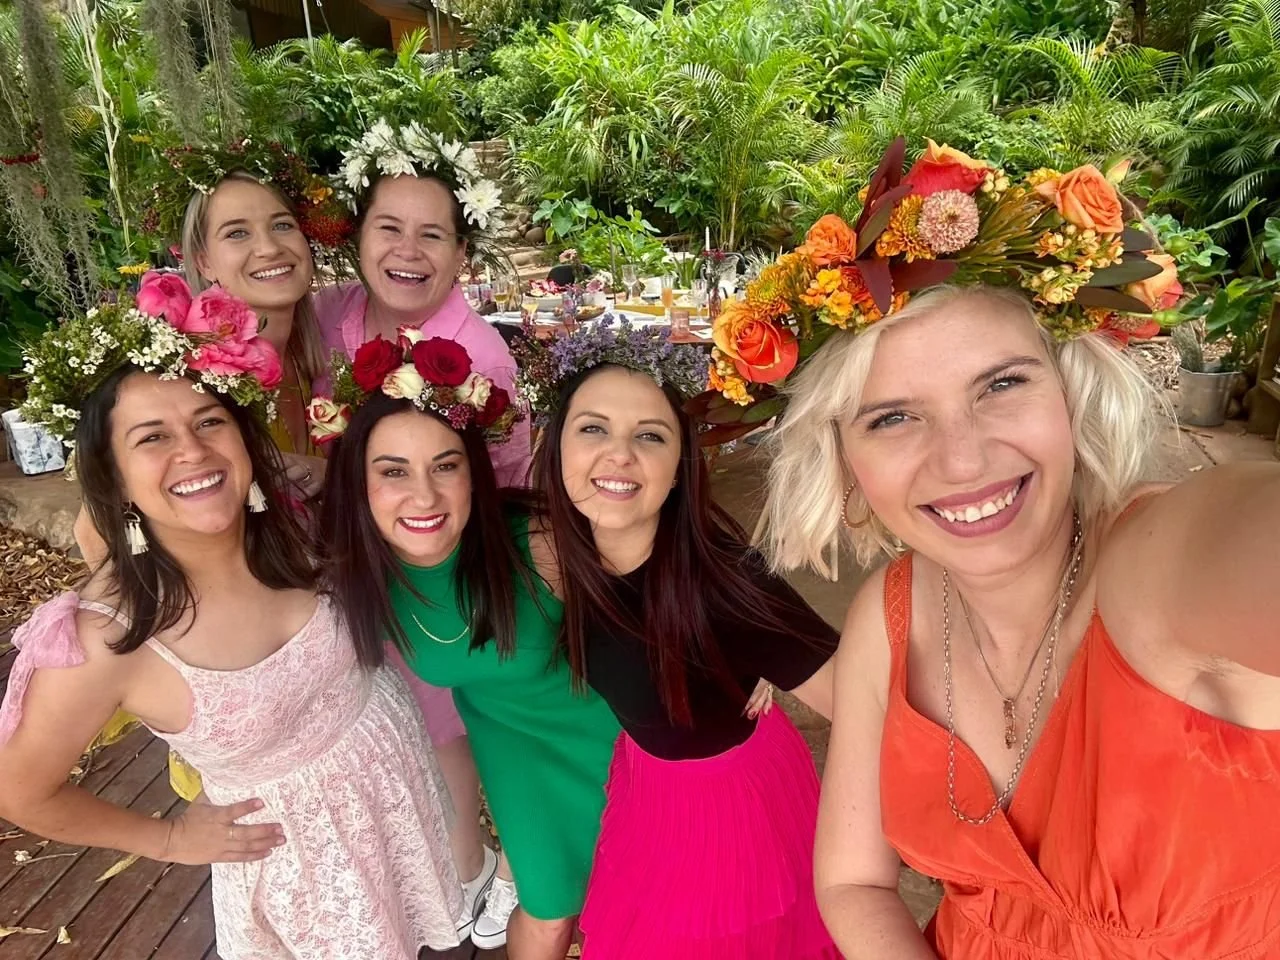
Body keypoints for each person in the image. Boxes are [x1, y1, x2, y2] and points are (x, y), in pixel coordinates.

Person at [751, 142, 1280, 959]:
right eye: (892, 417)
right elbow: (853, 882)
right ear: (846, 467)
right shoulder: (889, 616)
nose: (963, 460)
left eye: (1002, 384)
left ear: (1072, 398)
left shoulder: (1160, 563)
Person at [0, 280, 464, 958]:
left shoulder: (298, 536)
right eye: (152, 438)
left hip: (396, 794)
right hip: (307, 875)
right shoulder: (106, 638)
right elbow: (21, 790)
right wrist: (168, 839)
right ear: (115, 478)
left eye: (208, 422)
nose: (192, 451)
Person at [516, 319, 841, 960]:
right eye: (593, 429)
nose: (619, 455)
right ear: (555, 448)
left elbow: (871, 712)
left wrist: (766, 655)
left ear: (677, 469)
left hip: (729, 809)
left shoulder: (726, 584)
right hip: (649, 781)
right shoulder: (555, 541)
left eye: (650, 436)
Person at [310, 335, 619, 958]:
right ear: (358, 483)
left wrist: (744, 658)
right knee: (549, 910)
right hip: (516, 756)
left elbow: (664, 589)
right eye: (393, 472)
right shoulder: (354, 575)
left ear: (473, 474)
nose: (424, 497)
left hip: (616, 740)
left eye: (445, 466)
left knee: (641, 897)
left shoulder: (537, 543)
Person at [314, 119, 526, 938]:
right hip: (342, 561)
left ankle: (472, 869)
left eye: (432, 234)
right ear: (356, 238)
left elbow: (504, 486)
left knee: (441, 723)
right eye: (389, 227)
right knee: (371, 722)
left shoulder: (480, 360)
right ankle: (410, 864)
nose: (408, 250)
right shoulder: (330, 316)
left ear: (462, 253)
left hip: (438, 567)